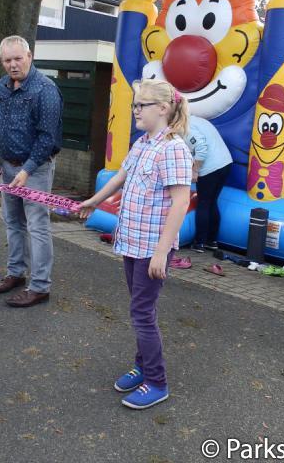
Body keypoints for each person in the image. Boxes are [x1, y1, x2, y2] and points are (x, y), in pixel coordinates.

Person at [79, 79, 192, 410]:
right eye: (134, 105)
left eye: (141, 105)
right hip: (132, 242)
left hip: (152, 248)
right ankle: (142, 367)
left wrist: (162, 252)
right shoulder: (143, 143)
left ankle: (157, 382)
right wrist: (93, 202)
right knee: (141, 308)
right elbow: (120, 177)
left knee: (142, 313)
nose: (135, 110)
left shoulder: (173, 149)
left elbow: (181, 202)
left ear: (163, 108)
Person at [0, 35, 63, 308]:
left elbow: (47, 137)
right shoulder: (1, 87)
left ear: (29, 56)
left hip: (36, 170)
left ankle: (40, 287)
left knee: (38, 226)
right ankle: (16, 273)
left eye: (18, 58)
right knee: (12, 221)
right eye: (7, 60)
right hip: (7, 167)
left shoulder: (45, 90)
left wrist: (27, 170)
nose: (13, 65)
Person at [186, 115, 233, 253]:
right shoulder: (197, 119)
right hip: (225, 163)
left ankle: (199, 242)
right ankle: (211, 241)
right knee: (211, 202)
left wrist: (195, 170)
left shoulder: (185, 126)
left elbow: (201, 147)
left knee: (204, 202)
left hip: (210, 167)